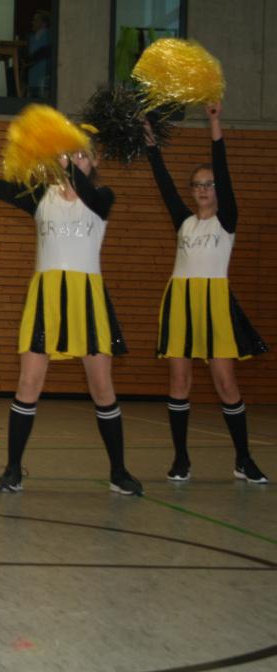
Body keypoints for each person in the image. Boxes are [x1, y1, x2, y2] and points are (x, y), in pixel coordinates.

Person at [0, 136, 143, 495]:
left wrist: (67, 165)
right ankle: (13, 469)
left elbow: (88, 193)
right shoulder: (41, 197)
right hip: (46, 297)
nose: (75, 160)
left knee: (102, 386)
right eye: (68, 154)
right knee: (28, 384)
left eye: (82, 155)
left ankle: (119, 471)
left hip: (87, 298)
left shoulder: (102, 197)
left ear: (94, 161)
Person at [145, 103, 268, 484]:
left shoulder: (226, 220)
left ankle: (243, 460)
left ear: (218, 191)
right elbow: (163, 181)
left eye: (209, 184)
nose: (202, 190)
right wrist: (150, 141)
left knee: (225, 382)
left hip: (215, 302)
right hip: (180, 301)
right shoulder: (183, 221)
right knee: (179, 382)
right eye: (197, 185)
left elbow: (223, 169)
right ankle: (181, 459)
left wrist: (215, 121)